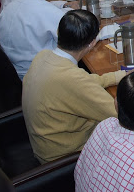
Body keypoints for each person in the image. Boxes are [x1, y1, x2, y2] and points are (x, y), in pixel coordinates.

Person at [23, 10, 127, 163]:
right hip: (66, 159)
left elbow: (81, 82)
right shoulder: (72, 80)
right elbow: (123, 116)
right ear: (92, 43)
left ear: (58, 32)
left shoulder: (43, 56)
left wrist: (120, 76)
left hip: (48, 145)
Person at [0, 0, 76, 79]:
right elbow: (72, 45)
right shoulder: (52, 14)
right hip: (40, 76)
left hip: (9, 72)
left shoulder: (8, 8)